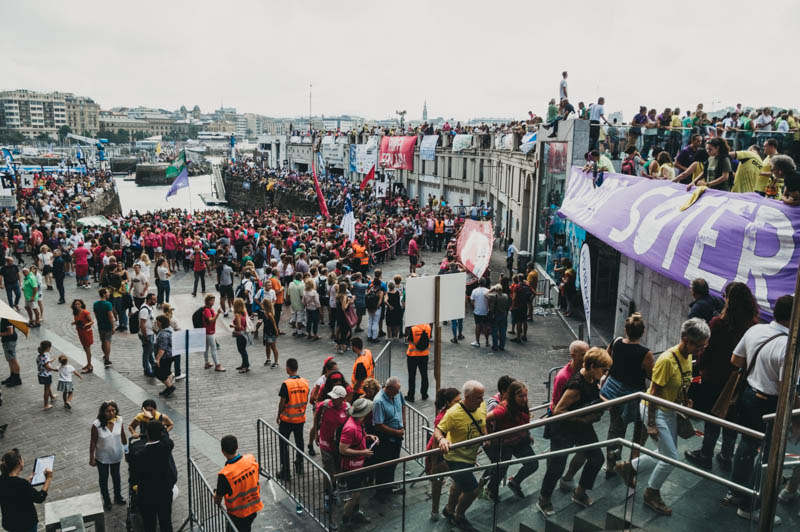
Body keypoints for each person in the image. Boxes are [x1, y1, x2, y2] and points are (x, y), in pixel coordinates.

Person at [616, 318, 711, 516]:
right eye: (699, 346)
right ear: (686, 340)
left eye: (704, 346)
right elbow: (653, 393)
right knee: (670, 458)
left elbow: (679, 384)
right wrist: (651, 424)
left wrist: (683, 401)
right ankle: (651, 493)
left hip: (669, 410)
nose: (701, 350)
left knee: (665, 453)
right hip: (655, 411)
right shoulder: (667, 360)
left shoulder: (687, 357)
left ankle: (629, 467)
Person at [725, 295, 797, 523]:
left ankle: (735, 492)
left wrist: (760, 369)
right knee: (768, 456)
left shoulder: (755, 330)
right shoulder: (788, 347)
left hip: (748, 395)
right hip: (771, 404)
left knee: (746, 444)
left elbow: (736, 360)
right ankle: (750, 506)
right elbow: (786, 388)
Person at [685, 283, 758, 471]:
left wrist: (700, 367)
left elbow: (706, 352)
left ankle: (706, 454)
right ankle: (726, 456)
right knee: (731, 418)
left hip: (714, 378)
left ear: (729, 300)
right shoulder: (753, 327)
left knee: (713, 416)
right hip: (738, 381)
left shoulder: (718, 323)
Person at [537, 348, 612, 516]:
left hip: (580, 427)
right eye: (604, 370)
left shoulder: (591, 377)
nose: (605, 373)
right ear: (592, 366)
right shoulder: (576, 386)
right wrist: (582, 420)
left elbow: (593, 394)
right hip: (563, 428)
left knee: (597, 458)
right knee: (557, 466)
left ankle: (579, 492)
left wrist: (606, 403)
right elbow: (559, 411)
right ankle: (544, 499)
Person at [600, 313, 654, 472]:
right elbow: (651, 375)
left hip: (612, 390)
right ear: (643, 332)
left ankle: (610, 465)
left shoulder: (616, 342)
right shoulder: (646, 353)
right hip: (633, 396)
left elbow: (606, 360)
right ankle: (633, 461)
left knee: (616, 427)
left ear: (625, 329)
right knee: (640, 427)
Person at [433, 380, 487, 529]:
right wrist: (442, 439)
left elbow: (483, 422)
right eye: (478, 397)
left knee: (458, 484)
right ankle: (459, 516)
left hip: (470, 457)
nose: (482, 400)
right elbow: (438, 430)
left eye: (482, 396)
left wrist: (485, 437)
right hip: (455, 458)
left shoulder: (481, 406)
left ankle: (449, 510)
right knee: (473, 490)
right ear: (467, 397)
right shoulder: (453, 413)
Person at [485, 380, 538, 501]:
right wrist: (491, 436)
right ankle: (491, 490)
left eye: (525, 395)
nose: (524, 399)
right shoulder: (504, 409)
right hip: (505, 444)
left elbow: (523, 421)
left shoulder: (522, 406)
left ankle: (515, 482)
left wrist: (527, 433)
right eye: (521, 396)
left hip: (520, 440)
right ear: (513, 397)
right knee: (501, 469)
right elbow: (486, 419)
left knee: (533, 464)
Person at [132, 420, 176, 532]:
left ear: (147, 433)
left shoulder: (138, 455)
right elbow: (166, 436)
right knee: (166, 523)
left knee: (149, 525)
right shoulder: (166, 447)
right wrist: (153, 418)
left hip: (147, 496)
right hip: (164, 493)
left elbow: (134, 478)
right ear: (161, 433)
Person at [339, 398, 376, 525]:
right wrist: (362, 452)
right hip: (351, 467)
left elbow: (358, 438)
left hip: (358, 465)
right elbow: (343, 449)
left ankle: (355, 513)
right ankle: (346, 520)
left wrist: (368, 436)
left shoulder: (358, 423)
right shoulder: (350, 428)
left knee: (357, 493)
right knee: (354, 495)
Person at [214, 434, 263, 532]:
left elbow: (218, 498)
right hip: (253, 507)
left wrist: (215, 495)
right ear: (237, 447)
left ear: (223, 451)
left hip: (237, 515)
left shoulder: (225, 474)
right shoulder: (251, 459)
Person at [310, 385, 350, 501]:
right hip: (325, 443)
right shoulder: (325, 405)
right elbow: (316, 418)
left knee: (338, 466)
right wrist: (316, 434)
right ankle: (328, 491)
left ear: (342, 399)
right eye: (332, 397)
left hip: (339, 444)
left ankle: (337, 484)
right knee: (328, 468)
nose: (333, 399)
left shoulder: (347, 409)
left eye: (335, 398)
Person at [426, 387, 460, 522]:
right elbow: (436, 442)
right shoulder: (442, 417)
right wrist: (434, 465)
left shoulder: (455, 412)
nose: (460, 403)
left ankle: (448, 508)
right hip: (440, 454)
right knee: (438, 482)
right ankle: (436, 511)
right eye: (457, 401)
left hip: (450, 453)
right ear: (448, 402)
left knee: (454, 480)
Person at [0, 449, 53, 532]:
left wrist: (26, 482)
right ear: (19, 462)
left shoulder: (2, 480)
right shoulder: (22, 484)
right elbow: (40, 497)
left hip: (10, 524)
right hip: (26, 524)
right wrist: (48, 479)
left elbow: (12, 489)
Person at [371, 376, 406, 500]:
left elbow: (403, 405)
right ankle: (380, 493)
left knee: (394, 462)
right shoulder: (379, 401)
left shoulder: (397, 394)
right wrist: (396, 432)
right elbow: (378, 425)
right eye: (395, 391)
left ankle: (389, 486)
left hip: (397, 437)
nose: (397, 393)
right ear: (388, 388)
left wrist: (404, 422)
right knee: (384, 465)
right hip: (385, 439)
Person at [90, 400, 127, 510]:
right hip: (102, 457)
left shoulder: (119, 420)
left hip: (116, 454)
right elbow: (93, 441)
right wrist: (91, 458)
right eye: (108, 411)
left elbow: (123, 436)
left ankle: (118, 496)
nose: (111, 413)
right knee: (103, 478)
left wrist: (126, 451)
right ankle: (106, 500)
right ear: (103, 412)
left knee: (116, 476)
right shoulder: (97, 425)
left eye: (113, 410)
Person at [276, 358, 309, 480]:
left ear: (287, 368)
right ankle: (299, 465)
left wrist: (278, 415)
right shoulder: (305, 382)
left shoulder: (286, 384)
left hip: (287, 419)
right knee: (299, 442)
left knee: (284, 445)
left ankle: (286, 471)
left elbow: (282, 403)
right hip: (300, 419)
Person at [405, 322, 431, 402]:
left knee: (412, 376)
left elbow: (409, 340)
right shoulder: (428, 327)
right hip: (424, 354)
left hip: (413, 355)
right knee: (424, 374)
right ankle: (424, 394)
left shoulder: (413, 329)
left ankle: (411, 396)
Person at [93, 288, 115, 372]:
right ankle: (107, 358)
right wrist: (113, 326)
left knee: (103, 341)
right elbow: (110, 316)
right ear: (104, 294)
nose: (109, 294)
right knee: (107, 341)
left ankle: (105, 354)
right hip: (107, 325)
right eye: (108, 292)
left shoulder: (95, 304)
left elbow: (96, 315)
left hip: (100, 325)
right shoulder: (108, 304)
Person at [154, 315, 176, 397]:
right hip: (171, 355)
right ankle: (168, 388)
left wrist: (157, 359)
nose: (156, 323)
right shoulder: (169, 329)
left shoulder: (164, 334)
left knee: (158, 372)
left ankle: (170, 387)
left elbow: (162, 348)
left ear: (161, 323)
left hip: (165, 356)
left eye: (157, 322)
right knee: (166, 371)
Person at [202, 294, 225, 372]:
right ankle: (217, 365)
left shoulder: (209, 309)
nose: (213, 302)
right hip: (209, 332)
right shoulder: (207, 310)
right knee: (213, 348)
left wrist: (217, 313)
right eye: (211, 300)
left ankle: (206, 363)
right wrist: (218, 313)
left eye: (214, 300)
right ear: (207, 301)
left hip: (207, 331)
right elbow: (211, 320)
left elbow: (213, 318)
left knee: (206, 347)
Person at [138, 292, 157, 377]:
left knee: (149, 351)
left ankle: (153, 367)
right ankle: (147, 370)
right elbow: (142, 324)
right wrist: (145, 336)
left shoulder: (149, 307)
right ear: (149, 300)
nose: (155, 301)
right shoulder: (145, 310)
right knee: (146, 353)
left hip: (150, 333)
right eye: (154, 299)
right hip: (147, 334)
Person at [487, 283, 510, 351]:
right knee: (502, 331)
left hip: (496, 315)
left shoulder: (494, 296)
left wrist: (492, 289)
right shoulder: (505, 296)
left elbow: (486, 294)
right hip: (504, 314)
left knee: (495, 331)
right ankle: (502, 346)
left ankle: (495, 346)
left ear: (496, 290)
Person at [230, 297, 250, 373]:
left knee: (242, 350)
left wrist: (232, 325)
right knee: (242, 350)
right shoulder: (244, 312)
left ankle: (246, 366)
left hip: (240, 334)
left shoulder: (237, 315)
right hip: (244, 333)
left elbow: (239, 327)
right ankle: (244, 364)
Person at [470, 277, 490, 347]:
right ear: (485, 283)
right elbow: (490, 301)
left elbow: (472, 301)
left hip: (477, 311)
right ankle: (487, 341)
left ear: (478, 282)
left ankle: (477, 342)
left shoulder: (475, 291)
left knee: (477, 326)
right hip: (485, 311)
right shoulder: (488, 291)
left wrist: (474, 308)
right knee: (485, 326)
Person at [0, 316, 20, 387]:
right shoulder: (5, 318)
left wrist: (0, 334)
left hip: (9, 341)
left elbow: (10, 332)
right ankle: (12, 376)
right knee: (10, 360)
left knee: (13, 359)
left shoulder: (7, 319)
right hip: (7, 341)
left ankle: (17, 378)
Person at [36, 341, 56, 410]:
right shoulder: (46, 356)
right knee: (46, 389)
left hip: (41, 374)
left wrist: (51, 360)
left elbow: (44, 362)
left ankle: (52, 396)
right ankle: (46, 405)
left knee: (47, 386)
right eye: (50, 347)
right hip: (46, 375)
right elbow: (46, 365)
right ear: (48, 348)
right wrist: (54, 369)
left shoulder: (40, 355)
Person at [261, 299, 280, 368]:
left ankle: (276, 362)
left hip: (271, 332)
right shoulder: (265, 313)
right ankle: (268, 359)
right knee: (267, 345)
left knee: (273, 347)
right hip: (267, 331)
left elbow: (274, 323)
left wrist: (276, 331)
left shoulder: (269, 314)